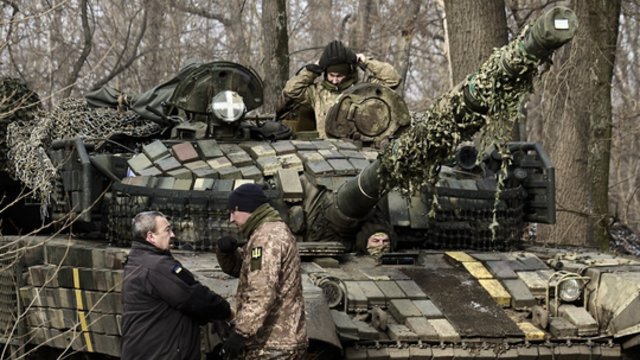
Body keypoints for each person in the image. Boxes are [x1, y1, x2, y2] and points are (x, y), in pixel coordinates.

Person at [121, 211, 233, 360]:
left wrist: (212, 317)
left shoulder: (139, 260)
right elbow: (193, 296)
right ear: (150, 237)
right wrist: (227, 313)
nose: (173, 234)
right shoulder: (157, 266)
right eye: (167, 230)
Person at [216, 184, 307, 359]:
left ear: (243, 208)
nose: (231, 219)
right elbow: (242, 270)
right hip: (277, 342)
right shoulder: (268, 232)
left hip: (273, 344)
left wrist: (240, 334)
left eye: (232, 212)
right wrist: (226, 252)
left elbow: (261, 291)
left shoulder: (266, 238)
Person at [281, 39, 401, 138]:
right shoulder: (317, 93)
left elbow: (393, 79)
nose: (335, 80)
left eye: (339, 76)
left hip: (358, 150)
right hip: (325, 151)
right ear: (325, 73)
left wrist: (365, 62)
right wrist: (313, 69)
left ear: (348, 73)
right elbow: (290, 90)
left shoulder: (363, 90)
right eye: (331, 75)